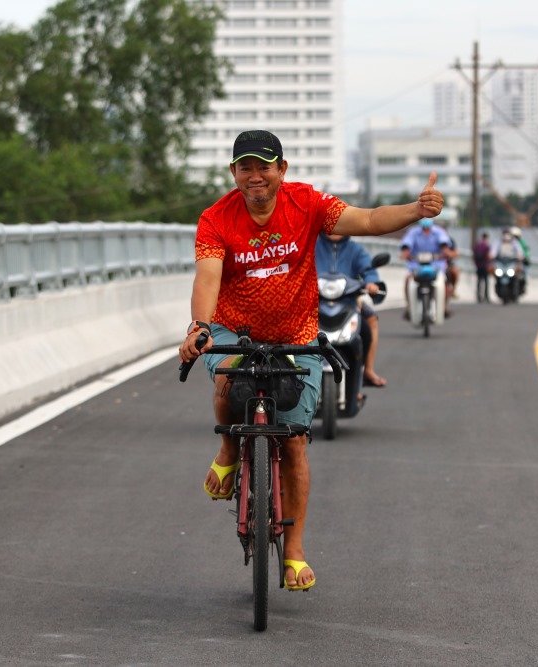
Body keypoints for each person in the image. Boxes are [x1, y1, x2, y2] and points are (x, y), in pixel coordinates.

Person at [178, 130, 443, 592]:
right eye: (245, 167)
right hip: (232, 327)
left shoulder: (307, 204)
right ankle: (228, 451)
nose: (255, 176)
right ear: (234, 173)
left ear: (282, 169)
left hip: (296, 332)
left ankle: (294, 551)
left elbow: (369, 220)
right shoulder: (216, 218)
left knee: (296, 442)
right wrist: (200, 327)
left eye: (264, 166)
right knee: (226, 375)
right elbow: (207, 278)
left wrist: (416, 211)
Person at [315, 231, 387, 387]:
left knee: (371, 321)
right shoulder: (311, 246)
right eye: (331, 224)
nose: (335, 229)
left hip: (349, 302)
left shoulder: (356, 250)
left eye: (339, 224)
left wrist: (371, 283)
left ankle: (368, 369)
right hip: (313, 303)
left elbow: (368, 270)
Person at [400, 218, 453, 318]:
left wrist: (446, 252)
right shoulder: (413, 232)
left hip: (436, 265)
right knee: (408, 279)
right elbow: (407, 244)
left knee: (444, 281)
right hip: (416, 265)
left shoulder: (439, 232)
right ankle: (409, 307)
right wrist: (405, 253)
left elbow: (444, 244)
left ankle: (444, 306)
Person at [510, 226, 531, 294]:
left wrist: (526, 257)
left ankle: (523, 284)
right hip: (510, 262)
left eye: (516, 236)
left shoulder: (522, 242)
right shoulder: (508, 243)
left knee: (524, 272)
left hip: (519, 262)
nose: (515, 238)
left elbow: (526, 251)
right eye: (513, 236)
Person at [472, 231, 492, 303]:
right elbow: (488, 256)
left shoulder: (477, 245)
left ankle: (479, 297)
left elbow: (474, 255)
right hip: (485, 265)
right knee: (486, 282)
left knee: (479, 282)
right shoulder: (486, 246)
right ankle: (486, 296)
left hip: (478, 266)